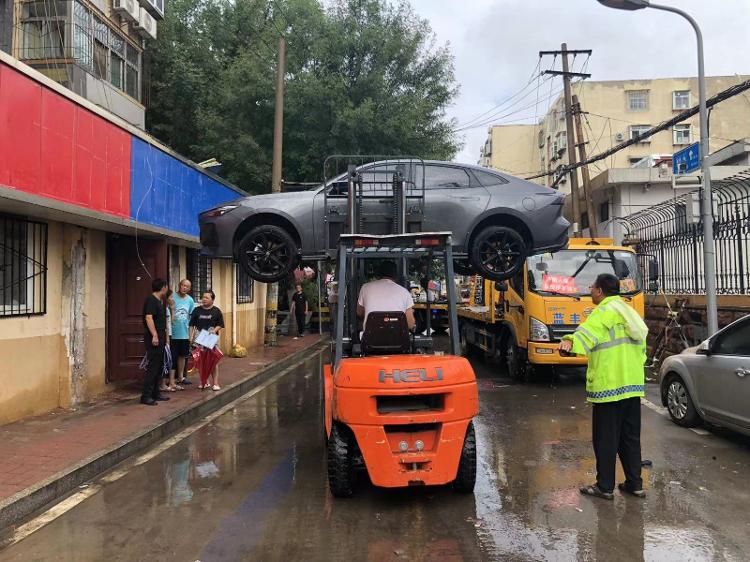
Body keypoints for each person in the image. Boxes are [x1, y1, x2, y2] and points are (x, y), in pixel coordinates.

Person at [559, 273, 648, 500]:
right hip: (632, 385)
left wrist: (568, 342)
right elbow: (641, 346)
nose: (590, 289)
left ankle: (605, 486)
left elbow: (586, 336)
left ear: (600, 291)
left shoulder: (603, 312)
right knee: (630, 437)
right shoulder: (629, 312)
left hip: (609, 386)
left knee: (605, 438)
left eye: (592, 286)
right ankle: (635, 483)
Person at [357, 260, 415, 331]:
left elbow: (359, 312)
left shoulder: (365, 287)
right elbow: (410, 324)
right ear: (395, 275)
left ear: (378, 274)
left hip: (371, 339)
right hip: (397, 340)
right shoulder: (405, 292)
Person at [141, 278, 171, 406]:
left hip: (161, 336)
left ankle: (155, 393)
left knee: (159, 366)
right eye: (166, 287)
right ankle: (146, 396)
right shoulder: (151, 300)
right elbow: (149, 317)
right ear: (163, 288)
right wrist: (154, 335)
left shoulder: (160, 301)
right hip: (154, 337)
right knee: (153, 367)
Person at [189, 290, 225, 390]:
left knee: (213, 361)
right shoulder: (196, 310)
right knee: (201, 361)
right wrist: (190, 336)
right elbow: (191, 324)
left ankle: (216, 383)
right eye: (203, 297)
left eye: (206, 297)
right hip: (199, 337)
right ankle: (204, 382)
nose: (204, 299)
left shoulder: (216, 311)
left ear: (212, 300)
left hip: (211, 338)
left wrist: (214, 330)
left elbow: (220, 324)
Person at [172, 279, 196, 386]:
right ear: (179, 285)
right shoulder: (171, 297)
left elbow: (192, 319)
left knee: (182, 356)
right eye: (183, 285)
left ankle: (181, 377)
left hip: (184, 333)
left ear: (189, 289)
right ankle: (171, 378)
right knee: (172, 356)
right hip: (172, 333)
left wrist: (191, 335)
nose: (184, 288)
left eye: (187, 286)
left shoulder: (190, 300)